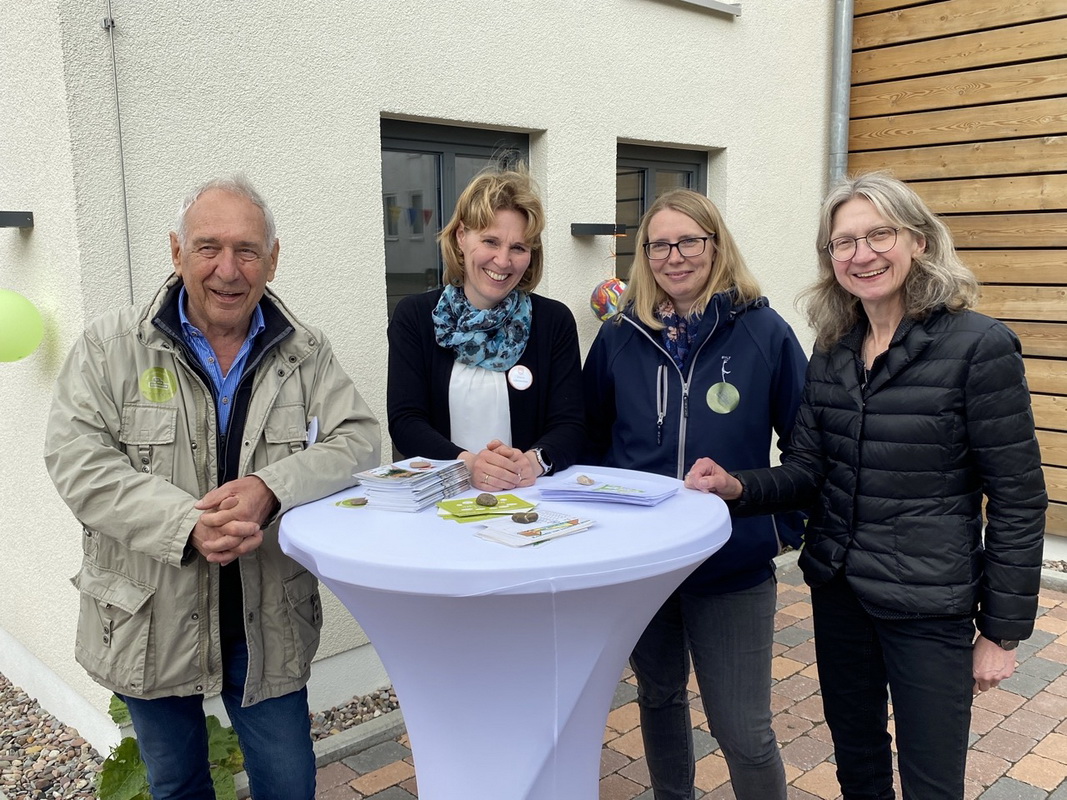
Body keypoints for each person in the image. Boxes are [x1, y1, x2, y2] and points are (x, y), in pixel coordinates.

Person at [686, 172, 1047, 800]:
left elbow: (1018, 498)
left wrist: (1000, 631)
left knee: (932, 781)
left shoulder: (978, 346)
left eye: (879, 234)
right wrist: (736, 487)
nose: (862, 254)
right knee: (857, 762)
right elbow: (807, 468)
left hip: (928, 606)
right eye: (843, 242)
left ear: (918, 242)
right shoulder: (833, 349)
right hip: (840, 592)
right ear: (831, 261)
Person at [44, 175, 381, 800]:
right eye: (208, 247)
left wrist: (269, 487)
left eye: (248, 250)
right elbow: (76, 460)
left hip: (266, 616)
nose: (228, 269)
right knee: (177, 786)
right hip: (150, 617)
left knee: (288, 784)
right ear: (176, 252)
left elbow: (359, 441)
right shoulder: (110, 347)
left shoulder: (305, 353)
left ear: (272, 260)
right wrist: (185, 522)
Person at [583, 188, 807, 800]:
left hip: (731, 567)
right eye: (659, 244)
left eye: (689, 241)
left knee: (743, 729)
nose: (673, 256)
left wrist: (773, 523)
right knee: (657, 698)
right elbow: (588, 439)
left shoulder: (763, 333)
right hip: (644, 566)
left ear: (716, 246)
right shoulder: (619, 336)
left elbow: (809, 451)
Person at [387, 165, 583, 490]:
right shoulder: (415, 317)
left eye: (518, 248)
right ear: (461, 237)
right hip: (441, 498)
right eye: (490, 241)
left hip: (530, 501)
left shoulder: (554, 322)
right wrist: (470, 465)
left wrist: (533, 461)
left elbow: (571, 424)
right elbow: (406, 421)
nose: (503, 261)